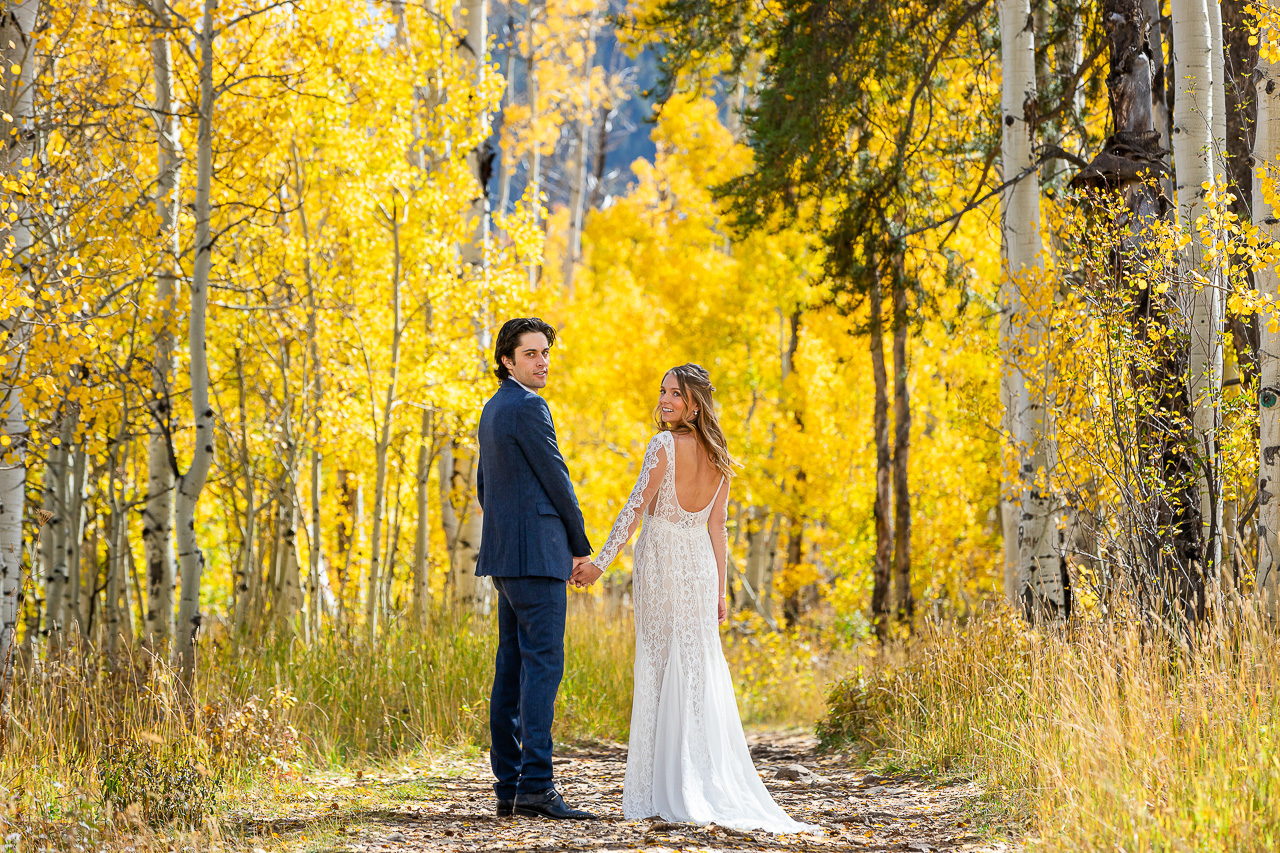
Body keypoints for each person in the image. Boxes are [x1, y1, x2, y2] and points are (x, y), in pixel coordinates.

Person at [572, 364, 819, 834]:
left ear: (695, 403)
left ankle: (658, 790)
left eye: (675, 394)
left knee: (661, 663)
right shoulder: (720, 456)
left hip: (664, 559)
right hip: (699, 566)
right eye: (662, 390)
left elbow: (633, 509)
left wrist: (600, 563)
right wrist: (720, 589)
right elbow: (717, 528)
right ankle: (694, 779)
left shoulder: (664, 445)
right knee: (693, 666)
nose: (665, 400)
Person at [476, 317, 596, 821]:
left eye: (545, 352)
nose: (542, 361)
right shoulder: (529, 407)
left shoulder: (492, 408)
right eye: (531, 354)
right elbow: (557, 479)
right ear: (508, 360)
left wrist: (508, 530)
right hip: (538, 556)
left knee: (512, 669)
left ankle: (509, 785)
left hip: (506, 556)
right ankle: (537, 785)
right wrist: (580, 544)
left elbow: (484, 486)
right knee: (541, 669)